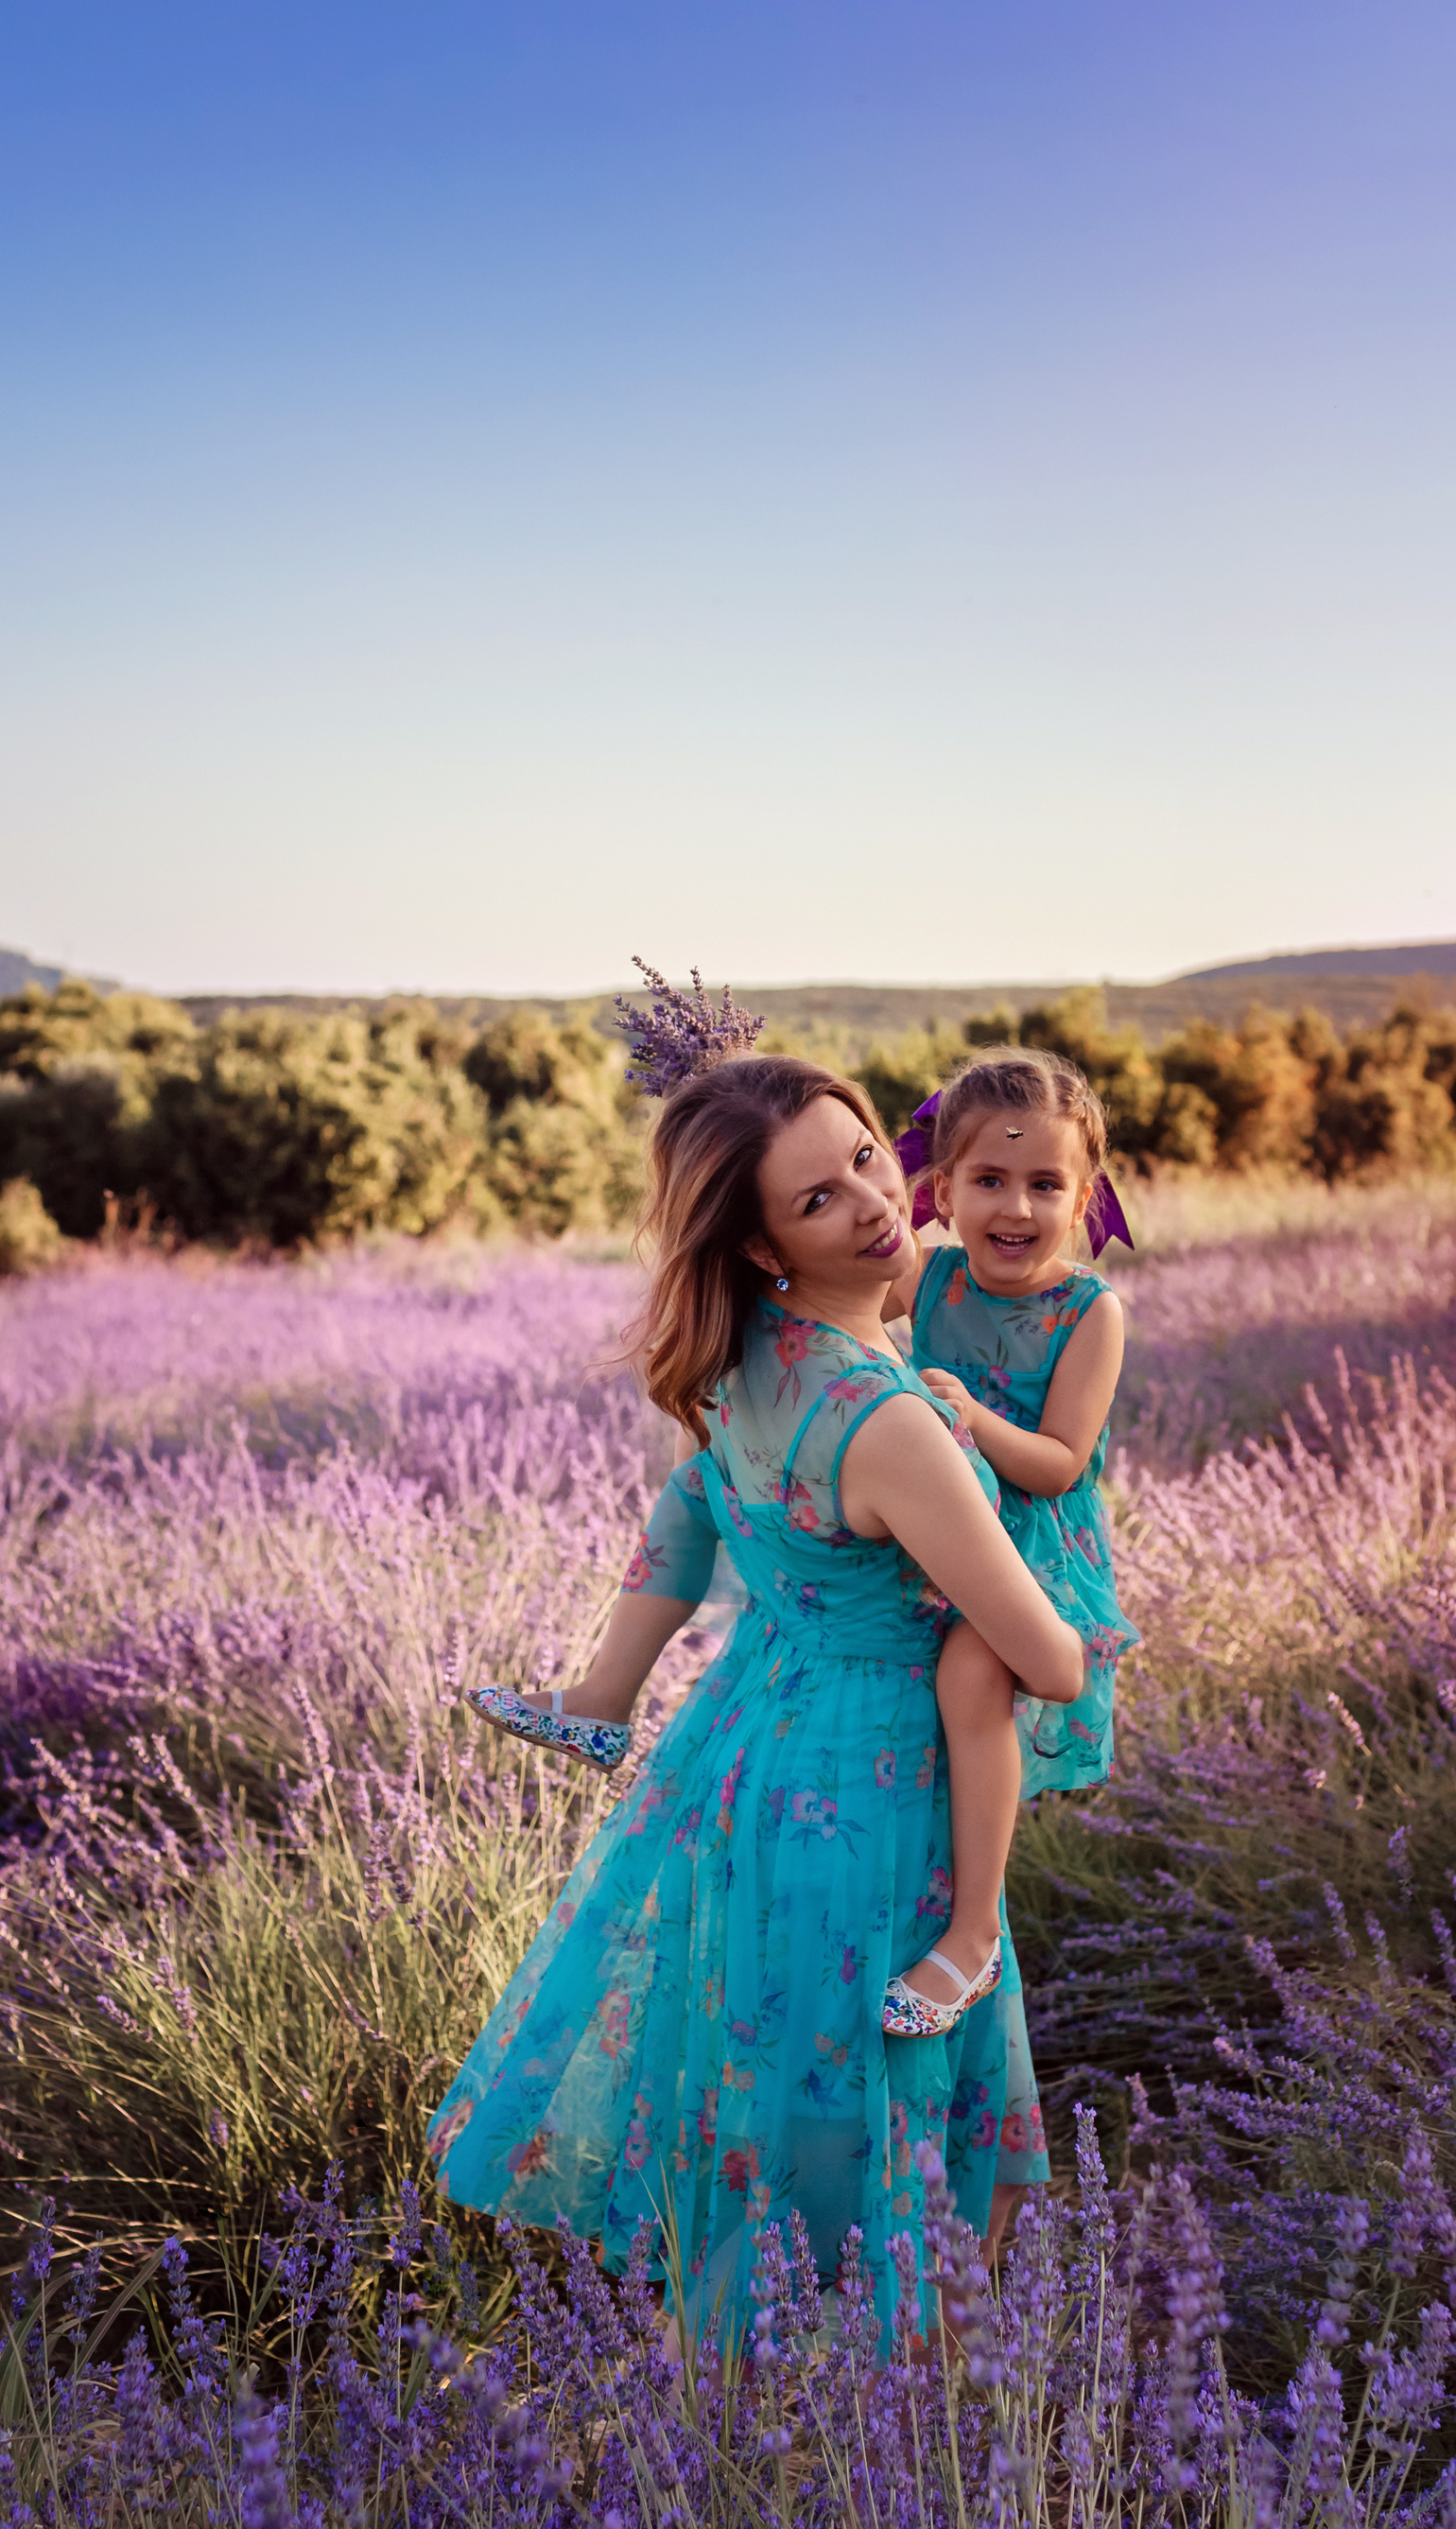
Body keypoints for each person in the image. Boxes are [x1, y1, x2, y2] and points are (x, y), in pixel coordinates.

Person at [439, 982, 1083, 2346]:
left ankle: (754, 2407)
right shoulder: (885, 1419)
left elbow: (687, 1525)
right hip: (882, 1786)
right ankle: (891, 2441)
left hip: (748, 1755)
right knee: (887, 2125)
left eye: (864, 1156)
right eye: (818, 1200)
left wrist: (611, 1683)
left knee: (770, 2096)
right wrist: (1059, 1601)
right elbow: (1050, 1662)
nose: (871, 1204)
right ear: (760, 1247)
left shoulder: (751, 1363)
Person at [893, 1050, 1137, 1876]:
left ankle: (975, 1905)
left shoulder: (1089, 1311)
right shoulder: (928, 1277)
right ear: (942, 1190)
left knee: (971, 1672)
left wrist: (968, 1416)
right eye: (989, 1179)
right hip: (931, 1524)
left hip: (1031, 1550)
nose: (1016, 1206)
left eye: (1045, 1183)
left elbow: (1061, 1464)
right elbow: (825, 1288)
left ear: (1082, 1200)